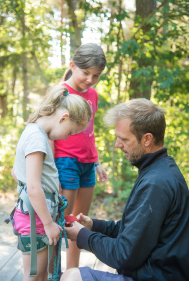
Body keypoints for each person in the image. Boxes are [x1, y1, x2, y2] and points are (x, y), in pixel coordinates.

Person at [61, 98, 189, 281]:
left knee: (72, 276)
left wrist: (82, 236)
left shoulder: (156, 183)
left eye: (123, 139)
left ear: (147, 139)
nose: (117, 144)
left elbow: (124, 256)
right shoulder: (160, 170)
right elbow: (133, 231)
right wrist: (94, 226)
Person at [10, 85, 92, 281]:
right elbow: (33, 187)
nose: (66, 137)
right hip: (36, 221)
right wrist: (48, 223)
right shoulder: (37, 139)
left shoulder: (33, 132)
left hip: (36, 216)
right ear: (63, 118)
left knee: (43, 275)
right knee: (35, 277)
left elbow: (16, 173)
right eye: (70, 131)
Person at [51, 43, 109, 269]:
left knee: (78, 224)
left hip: (87, 164)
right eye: (86, 73)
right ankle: (53, 271)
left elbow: (89, 131)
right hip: (65, 162)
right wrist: (51, 170)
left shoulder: (93, 94)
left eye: (96, 75)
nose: (90, 79)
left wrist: (97, 162)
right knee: (61, 223)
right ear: (73, 66)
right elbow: (47, 133)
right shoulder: (60, 92)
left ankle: (71, 273)